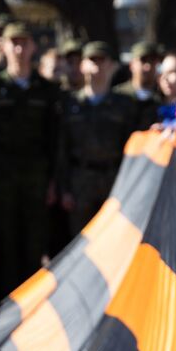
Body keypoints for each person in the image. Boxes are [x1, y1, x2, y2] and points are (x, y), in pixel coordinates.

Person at [0, 22, 61, 299]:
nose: (19, 49)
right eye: (14, 43)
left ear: (33, 47)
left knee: (34, 245)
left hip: (36, 178)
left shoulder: (47, 90)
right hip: (3, 178)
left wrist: (53, 181)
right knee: (5, 245)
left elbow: (55, 140)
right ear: (3, 46)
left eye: (24, 43)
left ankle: (33, 304)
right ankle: (7, 308)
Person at [57, 41, 141, 234]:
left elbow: (131, 149)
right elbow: (62, 149)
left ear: (111, 65)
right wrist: (65, 189)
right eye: (91, 60)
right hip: (80, 181)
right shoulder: (70, 104)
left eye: (101, 60)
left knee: (113, 238)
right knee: (81, 241)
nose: (96, 66)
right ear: (82, 65)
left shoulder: (124, 105)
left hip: (113, 180)